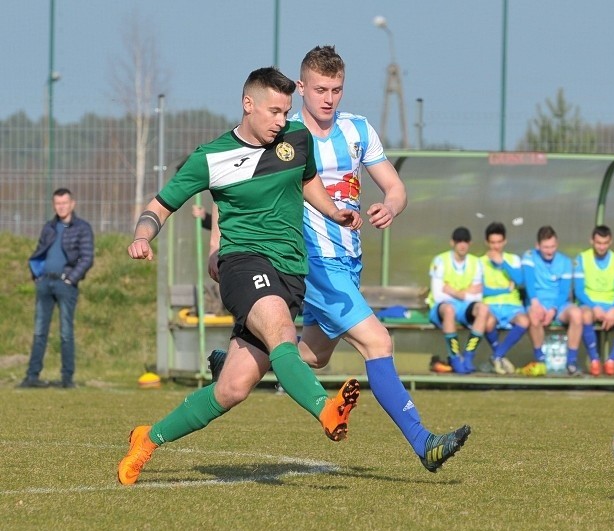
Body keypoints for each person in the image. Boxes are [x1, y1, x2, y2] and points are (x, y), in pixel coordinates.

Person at [209, 46, 470, 472]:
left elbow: (396, 186)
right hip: (312, 262)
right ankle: (424, 443)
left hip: (348, 262)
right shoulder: (283, 132)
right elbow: (232, 188)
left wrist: (392, 204)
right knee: (377, 341)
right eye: (320, 89)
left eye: (337, 90)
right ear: (301, 88)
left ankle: (241, 362)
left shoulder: (358, 130)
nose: (329, 98)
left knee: (314, 354)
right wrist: (218, 247)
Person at [117, 66, 364, 486]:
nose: (280, 121)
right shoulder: (210, 157)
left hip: (291, 272)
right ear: (247, 105)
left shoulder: (296, 141)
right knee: (283, 335)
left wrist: (333, 211)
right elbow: (160, 206)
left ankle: (148, 438)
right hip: (243, 263)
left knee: (231, 388)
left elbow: (308, 182)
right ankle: (326, 408)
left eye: (285, 112)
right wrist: (142, 235)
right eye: (272, 111)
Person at [20, 188, 94, 389]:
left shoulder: (82, 228)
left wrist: (70, 279)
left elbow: (87, 258)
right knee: (39, 331)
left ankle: (67, 379)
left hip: (66, 285)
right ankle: (31, 376)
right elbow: (39, 250)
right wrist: (36, 274)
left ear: (72, 204)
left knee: (66, 332)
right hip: (44, 283)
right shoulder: (49, 227)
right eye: (57, 203)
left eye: (64, 203)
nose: (61, 207)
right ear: (54, 205)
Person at [573, 225, 614, 377]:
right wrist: (594, 307)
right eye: (598, 243)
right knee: (586, 316)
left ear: (610, 242)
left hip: (611, 306)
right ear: (592, 241)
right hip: (588, 304)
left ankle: (611, 360)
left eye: (605, 243)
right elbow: (579, 291)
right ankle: (595, 360)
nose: (601, 247)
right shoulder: (582, 258)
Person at [428, 226, 491, 375]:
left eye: (465, 241)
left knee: (483, 309)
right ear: (452, 243)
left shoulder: (476, 263)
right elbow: (438, 295)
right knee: (449, 309)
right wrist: (467, 292)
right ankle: (455, 357)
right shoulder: (440, 260)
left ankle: (468, 356)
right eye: (459, 241)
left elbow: (478, 296)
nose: (462, 244)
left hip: (465, 307)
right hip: (441, 309)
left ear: (470, 243)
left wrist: (453, 291)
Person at [521, 225, 582, 375]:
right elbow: (529, 283)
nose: (549, 251)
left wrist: (553, 309)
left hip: (558, 305)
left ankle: (572, 361)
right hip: (537, 302)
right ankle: (540, 360)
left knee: (577, 314)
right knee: (533, 317)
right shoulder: (529, 257)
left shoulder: (565, 262)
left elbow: (563, 291)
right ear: (538, 246)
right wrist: (535, 304)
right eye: (546, 247)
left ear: (557, 244)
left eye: (553, 246)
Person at [480, 222, 529, 375]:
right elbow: (481, 290)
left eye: (499, 242)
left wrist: (502, 263)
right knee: (488, 323)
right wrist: (504, 289)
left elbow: (520, 280)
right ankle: (500, 357)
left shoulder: (512, 259)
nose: (496, 247)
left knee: (524, 321)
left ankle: (497, 356)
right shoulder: (479, 262)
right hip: (490, 305)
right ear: (487, 243)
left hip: (511, 305)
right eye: (493, 243)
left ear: (505, 241)